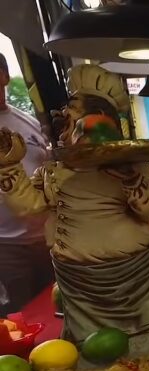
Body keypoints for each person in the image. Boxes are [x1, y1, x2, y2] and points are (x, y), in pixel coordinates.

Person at [0, 64, 149, 341]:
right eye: (66, 122)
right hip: (80, 285)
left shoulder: (134, 166)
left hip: (137, 277)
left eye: (75, 121)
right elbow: (28, 206)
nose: (66, 129)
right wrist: (8, 165)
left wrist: (129, 178)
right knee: (93, 348)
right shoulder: (52, 171)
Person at [0, 54, 52, 314]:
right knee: (21, 315)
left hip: (47, 237)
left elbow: (47, 167)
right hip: (7, 246)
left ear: (4, 76)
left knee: (57, 306)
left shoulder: (27, 122)